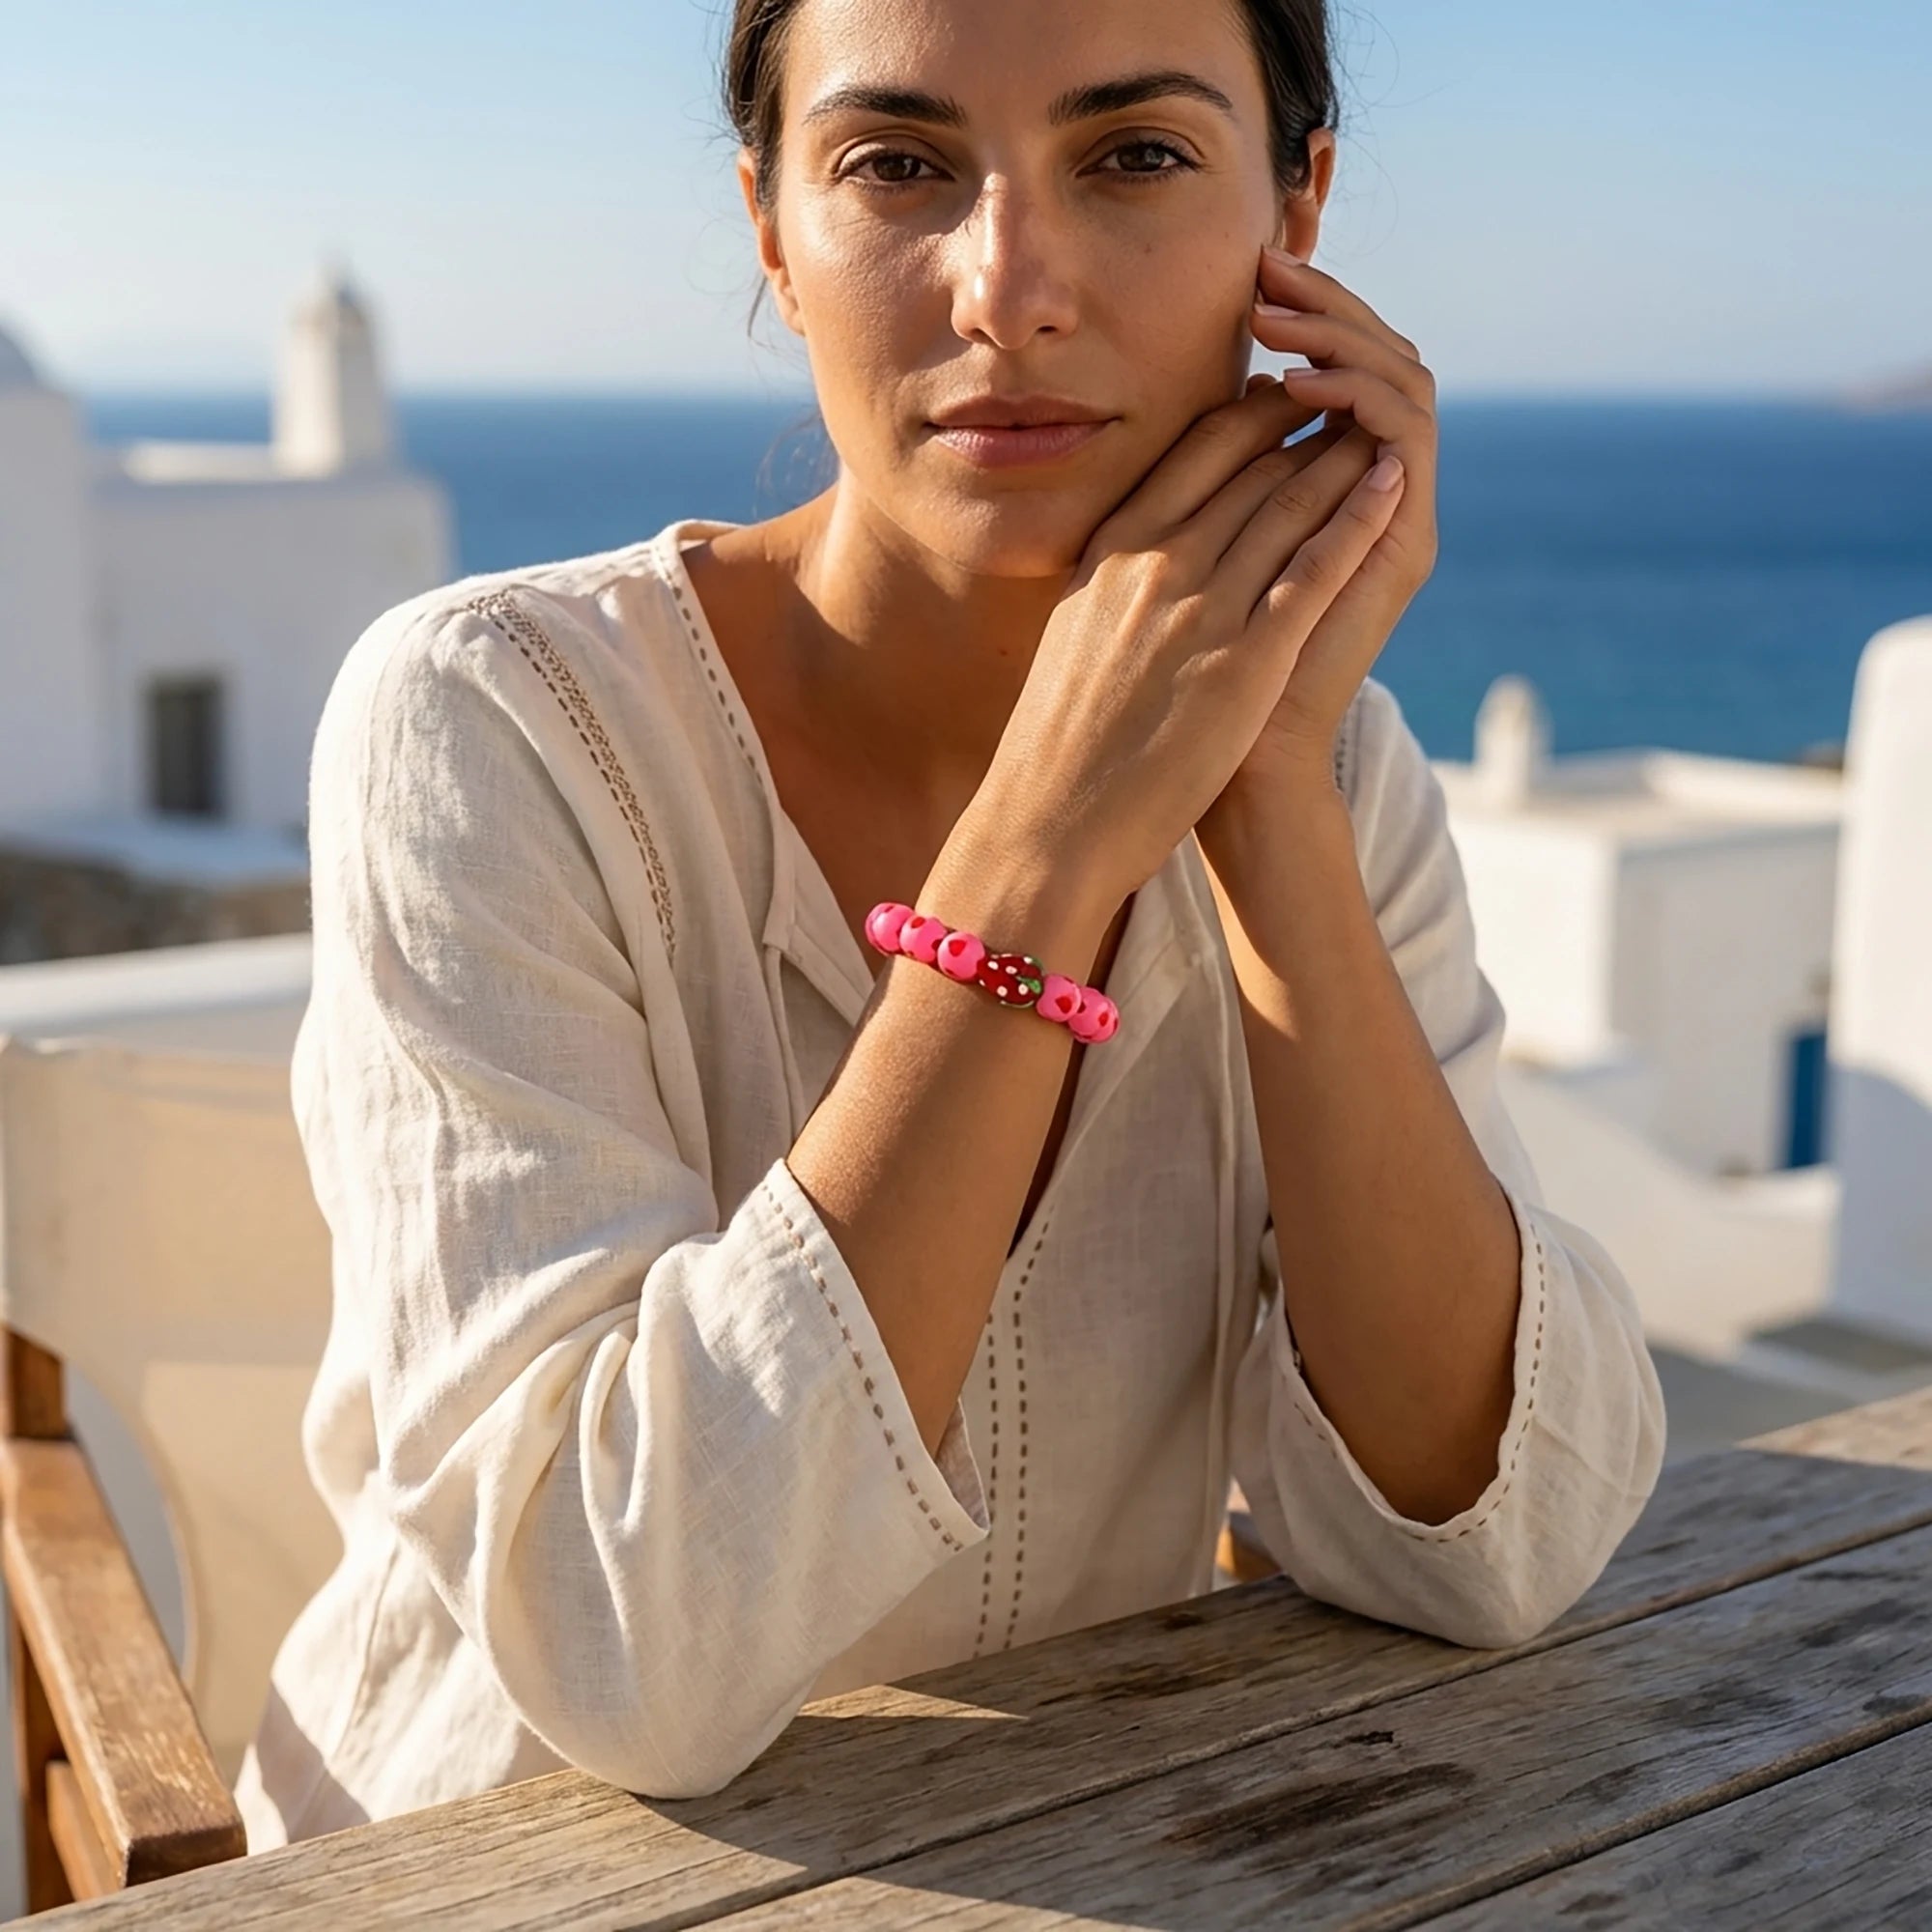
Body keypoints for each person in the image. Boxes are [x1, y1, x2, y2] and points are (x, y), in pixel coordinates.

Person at [235, 0, 1666, 1846]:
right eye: (896, 165)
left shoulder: (1330, 755)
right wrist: (1048, 844)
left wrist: (1267, 796)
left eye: (1135, 156)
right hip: (475, 1870)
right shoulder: (497, 722)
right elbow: (630, 1646)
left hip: (1081, 1858)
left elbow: (1510, 1543)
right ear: (771, 222)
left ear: (1293, 214)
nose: (1010, 286)